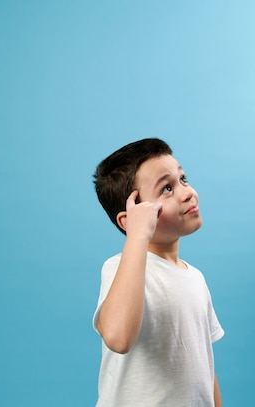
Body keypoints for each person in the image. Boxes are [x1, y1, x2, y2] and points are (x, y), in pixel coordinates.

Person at [92, 138, 224, 407]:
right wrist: (138, 235)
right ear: (131, 217)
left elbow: (205, 366)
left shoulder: (195, 278)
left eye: (183, 179)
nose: (186, 192)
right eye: (166, 188)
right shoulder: (121, 268)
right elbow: (118, 337)